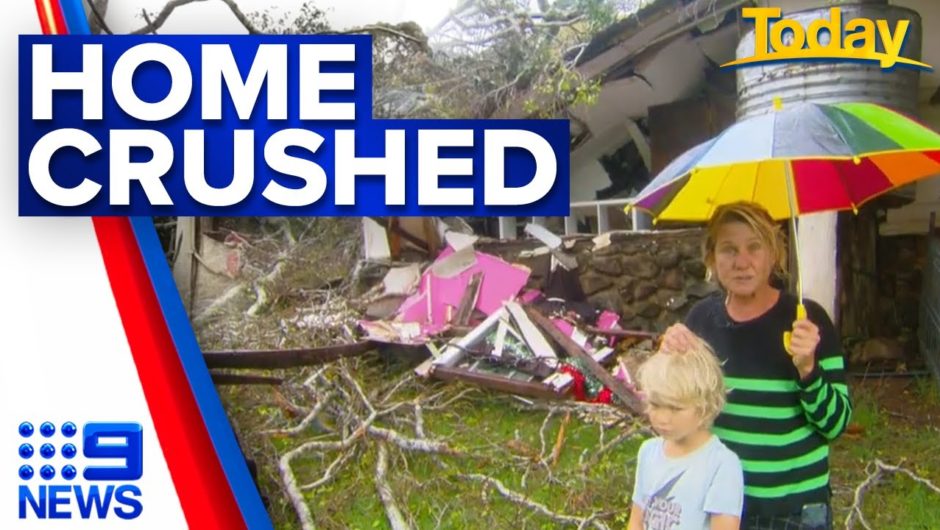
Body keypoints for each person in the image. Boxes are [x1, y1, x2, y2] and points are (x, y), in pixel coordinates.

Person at [661, 201, 852, 530]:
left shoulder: (808, 322)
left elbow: (835, 426)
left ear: (773, 254)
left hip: (795, 511)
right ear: (712, 258)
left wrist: (808, 371)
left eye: (755, 247)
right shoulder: (701, 321)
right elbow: (675, 420)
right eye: (728, 249)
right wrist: (668, 366)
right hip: (719, 507)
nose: (742, 262)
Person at [628, 338, 744, 530]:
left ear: (704, 407)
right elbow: (636, 521)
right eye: (655, 405)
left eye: (675, 408)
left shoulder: (722, 464)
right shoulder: (648, 452)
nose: (663, 418)